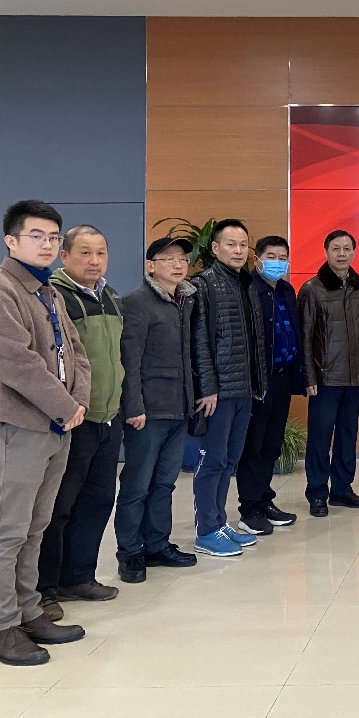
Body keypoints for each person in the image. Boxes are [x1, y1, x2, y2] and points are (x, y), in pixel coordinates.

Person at [0, 200, 89, 666]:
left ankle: (28, 611)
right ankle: (0, 629)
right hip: (16, 428)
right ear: (11, 240)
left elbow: (76, 353)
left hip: (55, 426)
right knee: (7, 531)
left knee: (35, 526)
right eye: (37, 236)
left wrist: (78, 403)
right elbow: (14, 363)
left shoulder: (48, 291)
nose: (47, 244)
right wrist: (65, 407)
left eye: (53, 237)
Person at [37, 226, 124, 611]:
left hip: (109, 417)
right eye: (85, 252)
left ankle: (79, 578)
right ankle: (44, 589)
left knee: (98, 500)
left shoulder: (110, 296)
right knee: (58, 507)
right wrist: (68, 407)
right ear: (65, 255)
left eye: (100, 253)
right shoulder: (55, 297)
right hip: (74, 419)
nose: (94, 261)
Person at [114, 237, 200, 584]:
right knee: (137, 484)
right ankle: (130, 552)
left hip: (178, 408)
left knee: (164, 483)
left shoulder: (186, 301)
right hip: (147, 412)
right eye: (169, 259)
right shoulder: (136, 302)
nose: (178, 265)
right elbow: (129, 360)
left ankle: (157, 545)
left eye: (182, 259)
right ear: (150, 266)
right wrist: (133, 406)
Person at [189, 219, 268, 556]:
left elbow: (254, 340)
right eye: (231, 244)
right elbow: (199, 342)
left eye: (243, 245)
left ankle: (220, 523)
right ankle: (206, 530)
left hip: (242, 390)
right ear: (215, 248)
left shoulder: (245, 284)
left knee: (229, 460)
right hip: (217, 394)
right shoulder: (204, 285)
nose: (238, 251)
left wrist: (257, 383)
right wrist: (207, 388)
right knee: (212, 461)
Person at [299, 230, 359, 518]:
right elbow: (304, 337)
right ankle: (317, 493)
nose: (342, 254)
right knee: (320, 438)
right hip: (325, 378)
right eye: (336, 248)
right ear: (326, 252)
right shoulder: (312, 289)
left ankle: (342, 490)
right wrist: (309, 377)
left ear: (354, 252)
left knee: (348, 435)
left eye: (347, 248)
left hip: (355, 376)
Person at [236, 235, 307, 535]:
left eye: (283, 258)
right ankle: (249, 508)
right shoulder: (248, 290)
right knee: (254, 445)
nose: (278, 263)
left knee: (272, 444)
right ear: (257, 260)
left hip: (283, 377)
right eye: (271, 257)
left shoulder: (286, 290)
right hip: (258, 382)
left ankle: (265, 500)